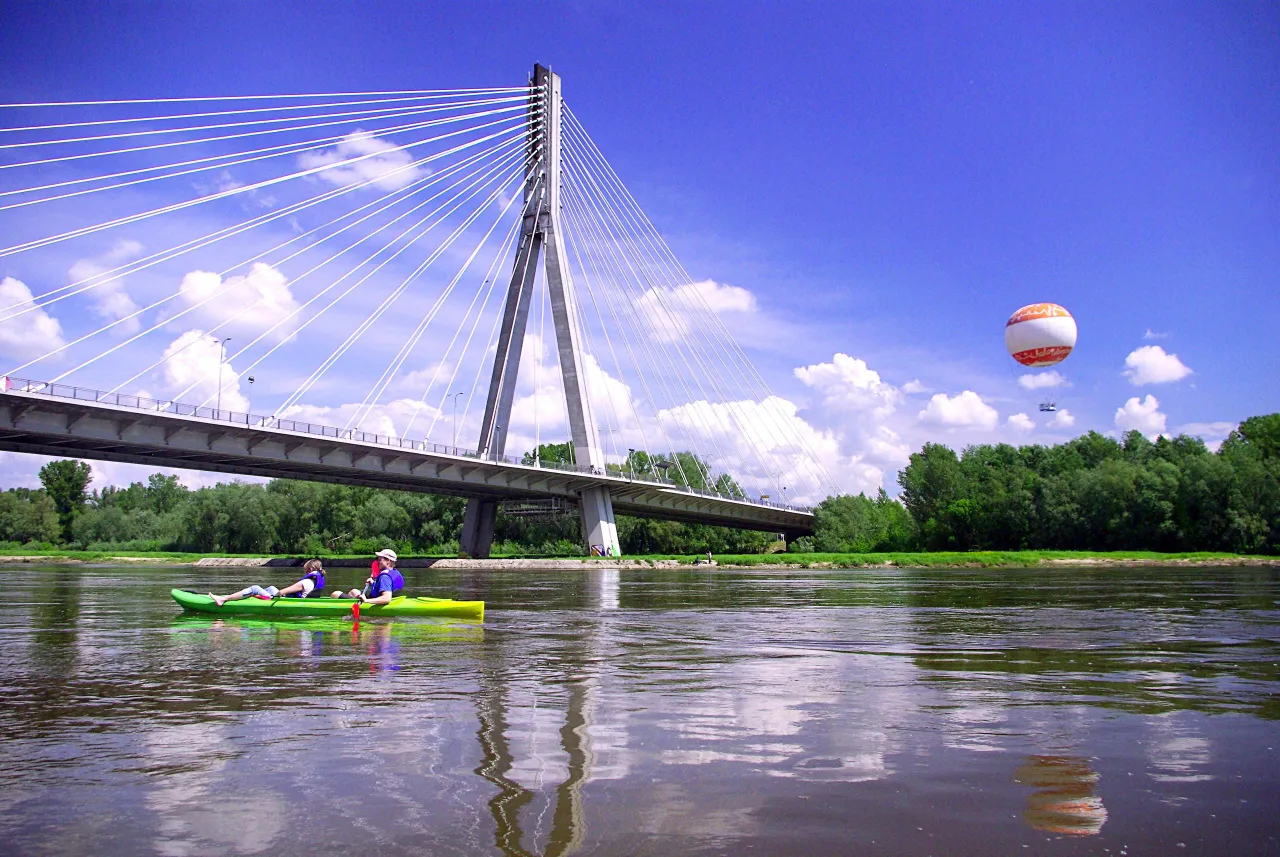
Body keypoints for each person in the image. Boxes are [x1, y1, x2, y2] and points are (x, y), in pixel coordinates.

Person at [209, 559, 327, 607]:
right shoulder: (314, 581)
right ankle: (248, 596)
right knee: (271, 587)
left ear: (310, 570)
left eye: (305, 569)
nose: (304, 571)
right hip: (301, 599)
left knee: (255, 587)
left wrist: (267, 596)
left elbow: (281, 592)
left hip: (290, 602)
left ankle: (223, 599)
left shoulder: (305, 582)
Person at [331, 549, 405, 605]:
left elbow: (386, 598)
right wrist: (373, 583)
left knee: (335, 594)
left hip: (376, 602)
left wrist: (366, 601)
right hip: (395, 601)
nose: (377, 562)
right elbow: (388, 587)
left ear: (388, 561)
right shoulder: (394, 572)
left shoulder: (385, 577)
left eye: (379, 560)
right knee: (354, 591)